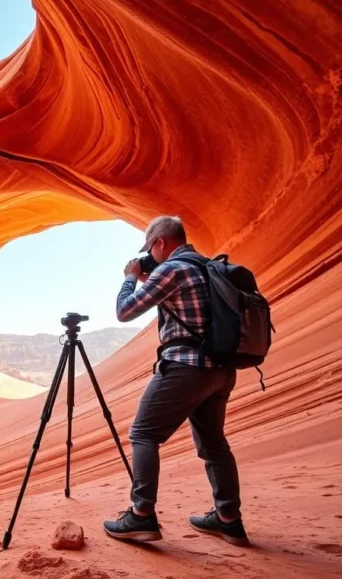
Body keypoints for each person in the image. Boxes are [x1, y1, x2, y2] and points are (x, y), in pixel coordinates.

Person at [102, 215, 249, 546]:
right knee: (213, 443)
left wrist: (130, 277)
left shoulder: (172, 269)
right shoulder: (206, 267)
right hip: (222, 370)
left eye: (149, 249)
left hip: (187, 365)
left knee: (143, 433)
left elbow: (125, 311)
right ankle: (229, 520)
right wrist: (149, 275)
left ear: (160, 243)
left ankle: (141, 516)